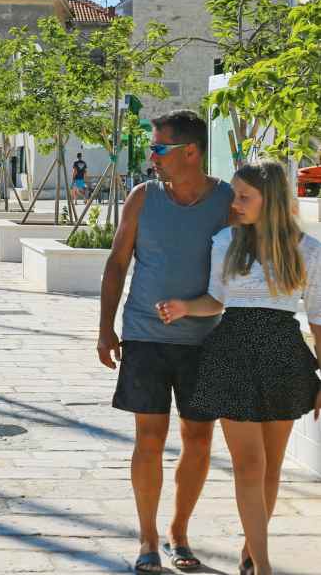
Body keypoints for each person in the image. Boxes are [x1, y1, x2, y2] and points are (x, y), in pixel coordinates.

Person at [157, 160, 321, 575]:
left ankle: (251, 550)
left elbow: (318, 320)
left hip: (284, 355)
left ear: (273, 200)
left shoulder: (310, 250)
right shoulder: (225, 241)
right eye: (234, 194)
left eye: (245, 196)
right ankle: (263, 566)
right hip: (232, 352)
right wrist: (184, 308)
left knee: (271, 466)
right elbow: (215, 300)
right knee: (249, 465)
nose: (236, 203)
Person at [97, 110, 234, 574]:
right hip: (145, 336)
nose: (151, 157)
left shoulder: (228, 201)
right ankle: (147, 537)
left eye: (159, 149)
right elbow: (116, 263)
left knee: (198, 439)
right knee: (149, 438)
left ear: (190, 152)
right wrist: (105, 328)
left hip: (207, 341)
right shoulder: (142, 197)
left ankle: (179, 531)